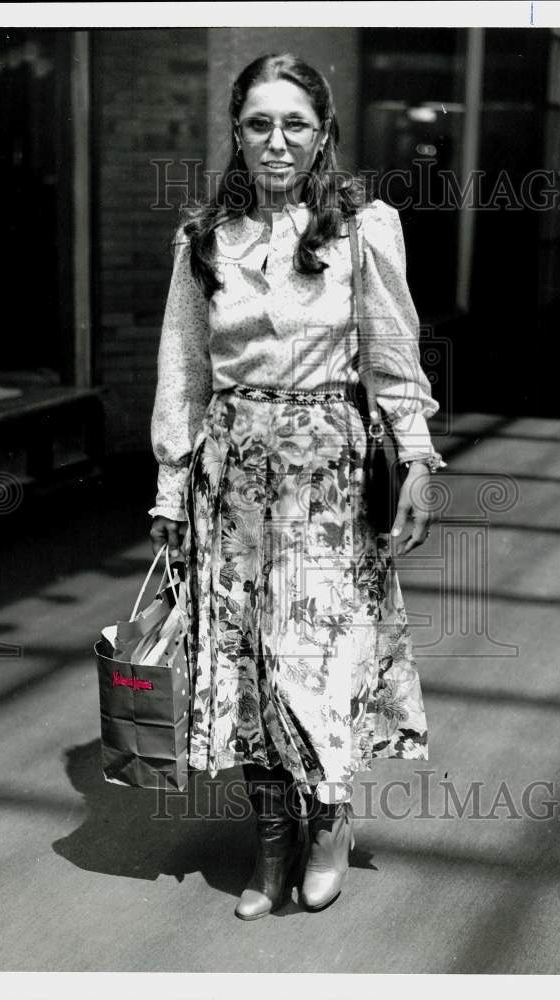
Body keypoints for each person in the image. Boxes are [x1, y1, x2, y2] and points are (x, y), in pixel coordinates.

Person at [148, 53, 447, 919]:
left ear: (323, 136)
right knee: (241, 659)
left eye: (295, 125)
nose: (275, 142)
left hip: (328, 470)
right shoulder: (203, 236)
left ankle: (328, 822)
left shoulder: (365, 227)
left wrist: (417, 460)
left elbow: (393, 357)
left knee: (315, 656)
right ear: (235, 133)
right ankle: (268, 837)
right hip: (229, 471)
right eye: (257, 124)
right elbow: (183, 371)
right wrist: (171, 490)